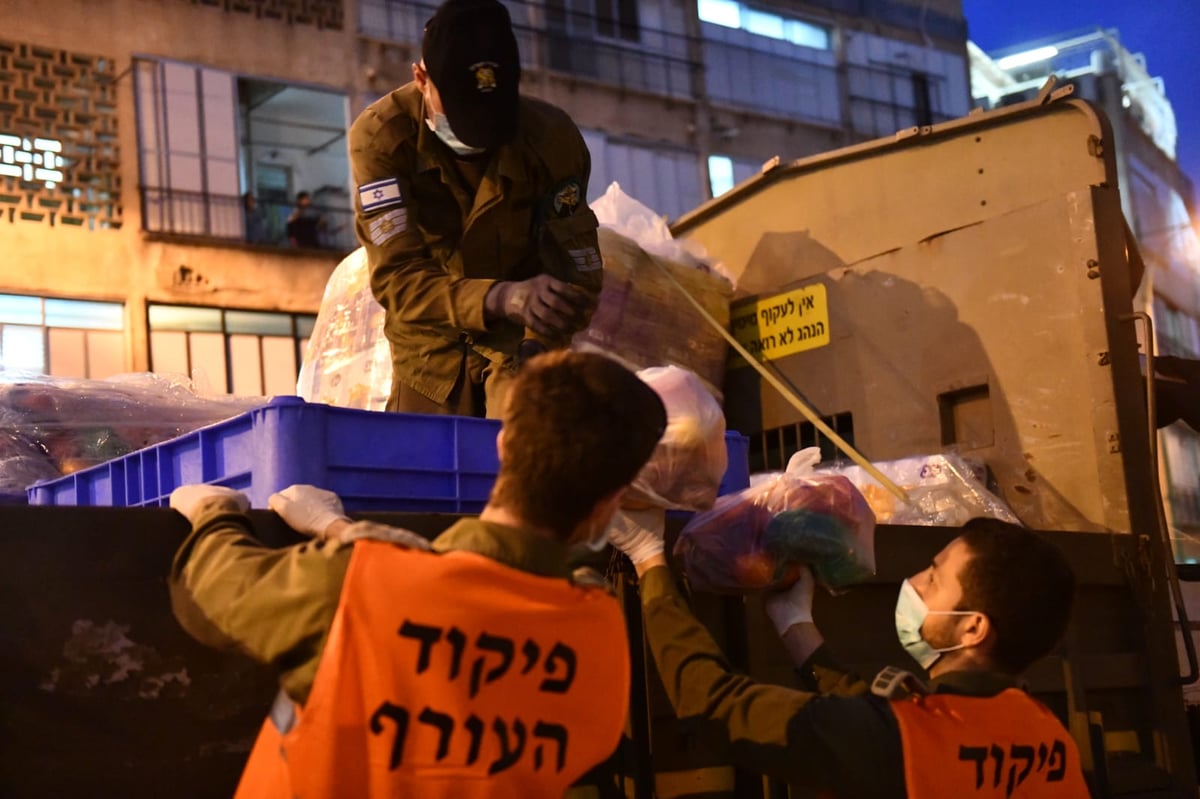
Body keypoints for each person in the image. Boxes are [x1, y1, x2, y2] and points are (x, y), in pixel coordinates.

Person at [167, 350, 667, 798]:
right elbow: (478, 628)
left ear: (505, 446)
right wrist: (344, 533)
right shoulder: (599, 637)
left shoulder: (356, 586)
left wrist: (215, 511)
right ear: (610, 505)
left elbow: (208, 593)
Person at [609, 514, 1092, 797]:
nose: (916, 584)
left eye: (934, 575)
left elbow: (714, 704)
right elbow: (886, 722)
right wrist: (797, 628)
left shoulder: (902, 741)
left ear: (972, 627)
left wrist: (650, 559)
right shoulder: (1048, 736)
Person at [347, 0, 604, 418]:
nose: (478, 140)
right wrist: (500, 296)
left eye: (492, 120)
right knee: (424, 477)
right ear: (421, 78)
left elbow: (577, 271)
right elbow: (398, 279)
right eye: (463, 116)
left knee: (526, 464)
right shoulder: (382, 138)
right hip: (429, 353)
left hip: (520, 345)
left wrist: (538, 341)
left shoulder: (551, 140)